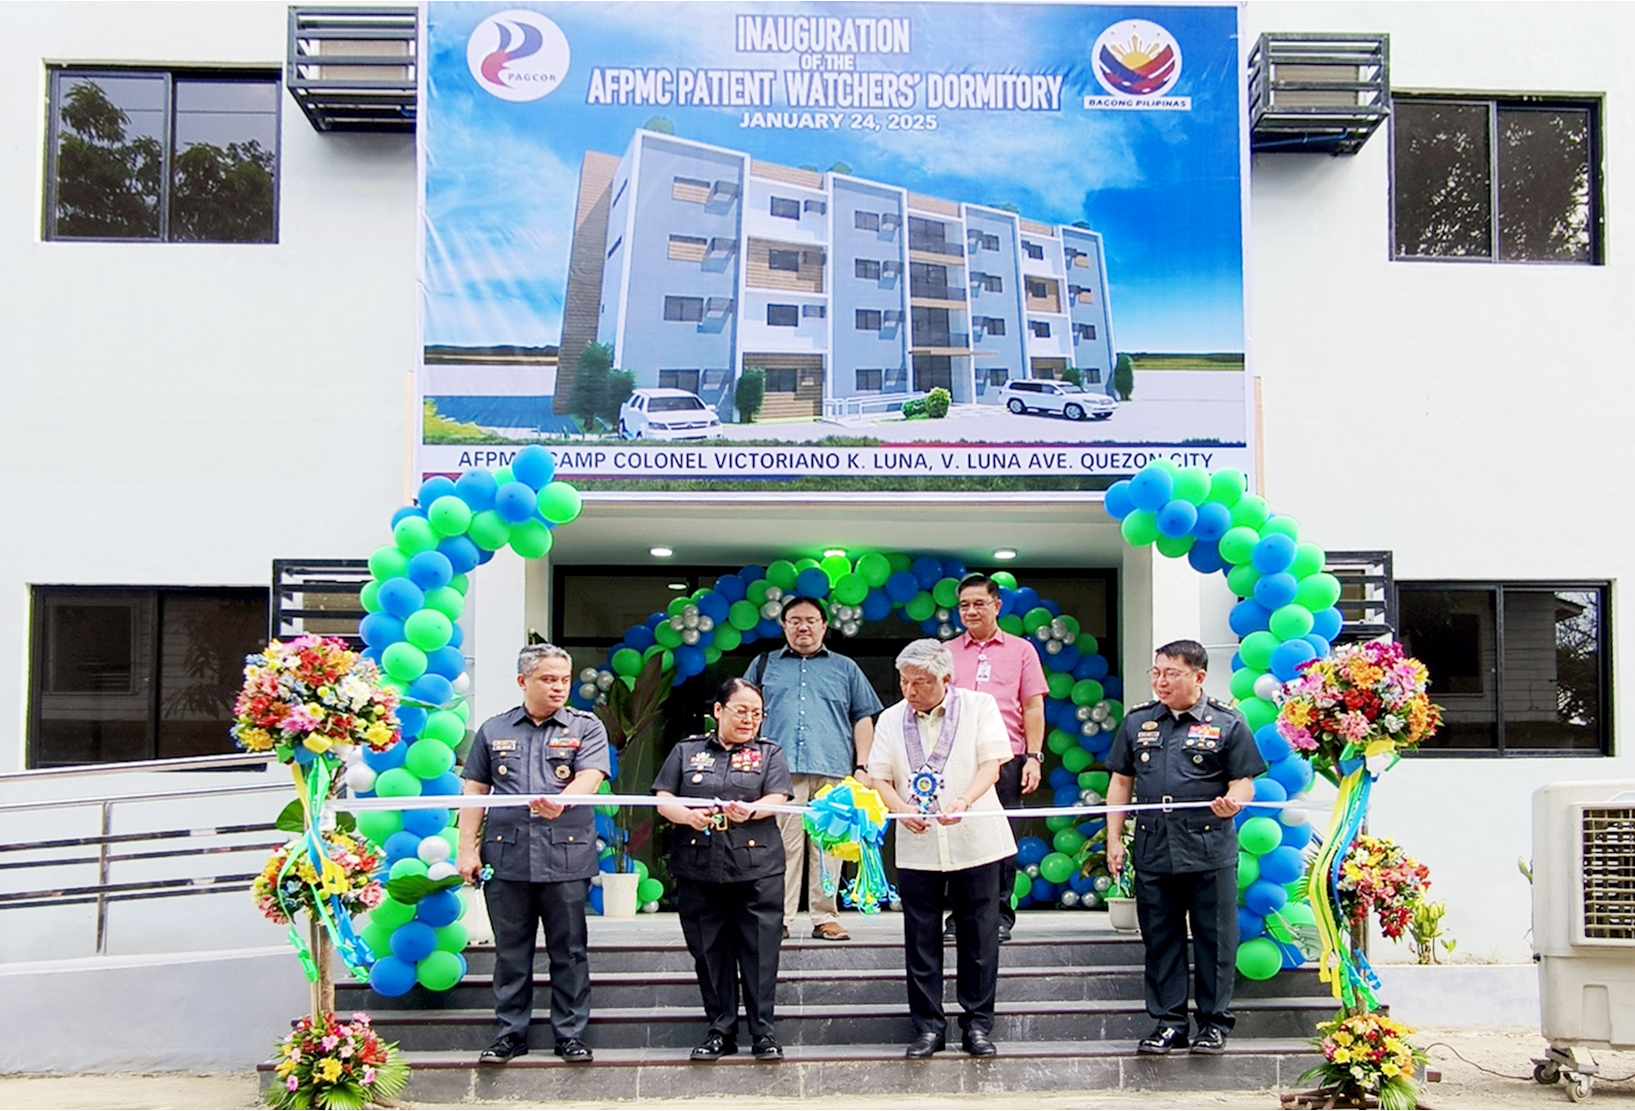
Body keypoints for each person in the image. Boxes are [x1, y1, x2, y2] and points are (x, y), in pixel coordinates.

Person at [1105, 639, 1266, 1056]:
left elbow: (1245, 778)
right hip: (1154, 848)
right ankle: (1169, 1022)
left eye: (1171, 673)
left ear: (1198, 676)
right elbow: (1121, 782)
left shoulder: (1228, 722)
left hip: (1208, 847)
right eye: (1156, 672)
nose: (1161, 681)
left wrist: (1235, 801)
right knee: (1161, 939)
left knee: (1215, 939)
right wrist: (1114, 840)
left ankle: (1213, 1023)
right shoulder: (1137, 722)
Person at [458, 643, 609, 1065]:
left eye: (564, 679)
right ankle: (510, 1033)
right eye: (548, 679)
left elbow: (592, 775)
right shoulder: (494, 729)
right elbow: (475, 792)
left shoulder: (586, 726)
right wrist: (466, 849)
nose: (559, 687)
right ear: (524, 681)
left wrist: (564, 800)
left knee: (570, 950)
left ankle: (570, 1034)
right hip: (507, 858)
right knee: (511, 951)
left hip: (566, 857)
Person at [867, 638, 1015, 1060]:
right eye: (905, 681)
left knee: (980, 936)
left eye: (921, 682)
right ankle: (928, 1027)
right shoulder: (891, 719)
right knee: (921, 938)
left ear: (946, 679)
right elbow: (878, 777)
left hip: (976, 839)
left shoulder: (978, 707)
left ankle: (978, 1025)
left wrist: (965, 800)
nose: (911, 691)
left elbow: (992, 764)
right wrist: (899, 808)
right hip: (918, 843)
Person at [654, 677, 793, 1062]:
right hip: (699, 866)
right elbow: (663, 797)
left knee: (761, 952)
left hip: (757, 868)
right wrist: (686, 816)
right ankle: (720, 1030)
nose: (750, 719)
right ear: (718, 711)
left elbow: (778, 796)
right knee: (709, 952)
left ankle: (763, 1033)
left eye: (757, 713)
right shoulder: (687, 751)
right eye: (741, 710)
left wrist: (753, 809)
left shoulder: (770, 753)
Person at [747, 595, 883, 941]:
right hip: (779, 773)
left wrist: (863, 765)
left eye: (810, 620)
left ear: (824, 625)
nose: (802, 627)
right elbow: (745, 713)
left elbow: (862, 717)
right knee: (782, 847)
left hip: (833, 770)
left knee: (829, 847)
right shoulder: (764, 665)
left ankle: (825, 917)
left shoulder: (845, 668)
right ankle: (780, 918)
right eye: (794, 621)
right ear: (784, 626)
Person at [944, 572, 1048, 943]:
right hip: (957, 761)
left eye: (979, 603)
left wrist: (1034, 757)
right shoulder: (948, 653)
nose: (970, 611)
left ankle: (999, 917)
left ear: (997, 605)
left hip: (1007, 759)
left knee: (1002, 840)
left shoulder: (1021, 650)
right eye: (964, 605)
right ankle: (958, 916)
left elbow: (1033, 707)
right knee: (957, 836)